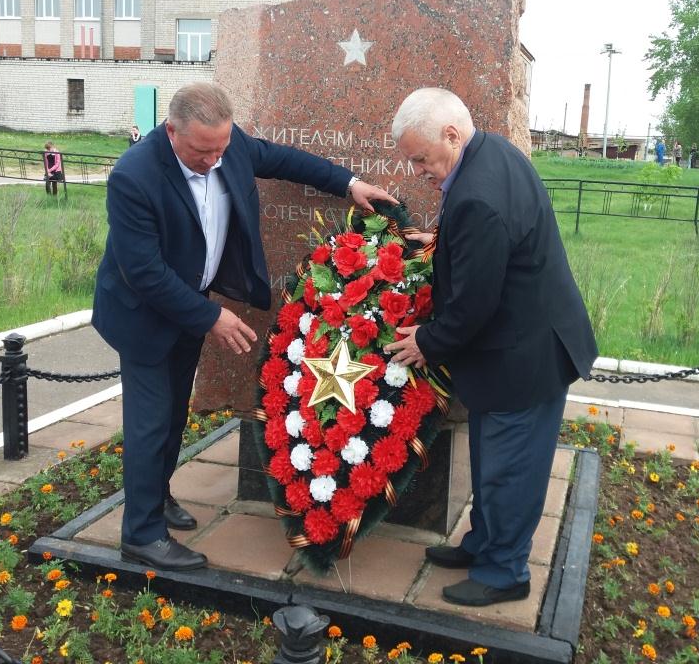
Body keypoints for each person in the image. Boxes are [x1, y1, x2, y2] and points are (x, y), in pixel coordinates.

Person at [92, 82, 396, 572]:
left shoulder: (227, 147)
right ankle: (142, 534)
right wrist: (210, 315)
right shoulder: (134, 177)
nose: (215, 160)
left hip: (189, 307)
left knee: (172, 416)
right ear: (171, 131)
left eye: (222, 148)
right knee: (149, 423)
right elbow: (143, 271)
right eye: (201, 151)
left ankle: (157, 496)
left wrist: (349, 184)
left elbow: (284, 159)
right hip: (143, 316)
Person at [384, 88, 598, 608]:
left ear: (452, 136)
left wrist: (427, 341)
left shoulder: (478, 195)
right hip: (513, 347)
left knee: (510, 470)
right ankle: (484, 542)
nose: (417, 170)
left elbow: (475, 302)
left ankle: (505, 571)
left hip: (523, 357)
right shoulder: (491, 151)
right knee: (492, 459)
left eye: (420, 158)